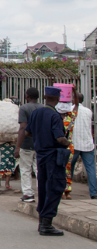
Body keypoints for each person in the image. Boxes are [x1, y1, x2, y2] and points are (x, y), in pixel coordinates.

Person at [24, 86, 68, 236]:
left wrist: (40, 136)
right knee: (55, 187)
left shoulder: (37, 113)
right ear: (57, 100)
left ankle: (42, 221)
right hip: (53, 157)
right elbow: (60, 138)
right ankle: (47, 224)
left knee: (42, 187)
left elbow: (28, 132)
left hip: (40, 155)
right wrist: (68, 143)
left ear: (45, 97)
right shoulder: (55, 116)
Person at [70, 92, 97, 199]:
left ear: (73, 99)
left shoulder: (70, 111)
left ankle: (66, 190)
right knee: (91, 168)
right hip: (87, 144)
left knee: (69, 168)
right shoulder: (88, 111)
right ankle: (94, 192)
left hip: (74, 144)